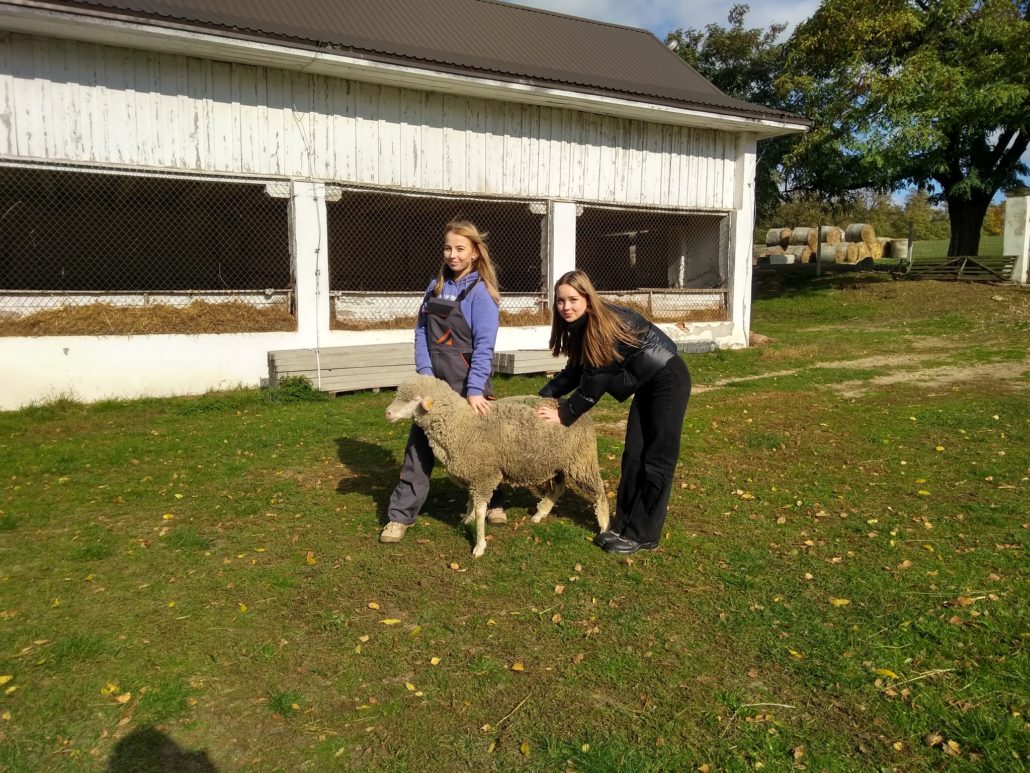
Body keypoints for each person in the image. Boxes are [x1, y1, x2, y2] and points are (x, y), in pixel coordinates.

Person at [536, 270, 691, 555]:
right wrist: (542, 396)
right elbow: (575, 372)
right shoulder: (579, 326)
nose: (566, 307)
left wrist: (564, 414)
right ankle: (624, 526)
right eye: (560, 301)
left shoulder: (600, 327)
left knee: (656, 460)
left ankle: (644, 534)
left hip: (668, 380)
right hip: (648, 383)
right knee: (633, 456)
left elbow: (592, 387)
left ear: (587, 298)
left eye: (573, 299)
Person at [380, 220, 504, 543]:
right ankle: (400, 515)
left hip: (468, 386)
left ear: (475, 252)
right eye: (448, 248)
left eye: (460, 249)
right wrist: (424, 373)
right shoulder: (434, 287)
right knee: (419, 448)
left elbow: (484, 345)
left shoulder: (482, 294)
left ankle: (494, 501)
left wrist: (476, 388)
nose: (452, 255)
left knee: (485, 447)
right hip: (434, 385)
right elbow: (421, 331)